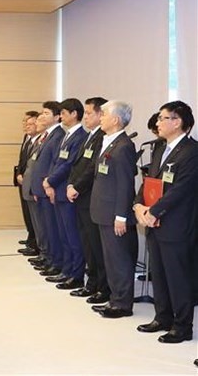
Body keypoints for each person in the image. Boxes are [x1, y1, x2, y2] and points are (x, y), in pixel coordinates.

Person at [133, 101, 198, 343]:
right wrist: (138, 205)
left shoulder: (192, 152)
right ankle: (163, 317)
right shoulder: (161, 148)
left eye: (162, 118)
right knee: (158, 274)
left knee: (178, 276)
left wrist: (154, 211)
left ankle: (182, 326)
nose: (158, 123)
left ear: (177, 122)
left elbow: (181, 189)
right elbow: (149, 179)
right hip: (154, 222)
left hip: (176, 225)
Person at [90, 100, 138, 319]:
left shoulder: (124, 146)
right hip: (103, 210)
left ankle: (122, 304)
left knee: (119, 259)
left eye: (104, 114)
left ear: (116, 120)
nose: (100, 118)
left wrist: (121, 215)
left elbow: (125, 184)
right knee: (110, 258)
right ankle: (115, 299)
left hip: (114, 214)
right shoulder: (109, 142)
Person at [66, 97, 110, 304]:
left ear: (102, 114)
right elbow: (78, 165)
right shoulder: (90, 136)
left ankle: (102, 287)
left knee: (95, 245)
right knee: (87, 244)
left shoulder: (103, 137)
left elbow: (92, 167)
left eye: (89, 113)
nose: (85, 117)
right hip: (80, 197)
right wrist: (70, 185)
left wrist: (76, 186)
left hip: (89, 196)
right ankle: (91, 283)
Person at [43, 98, 88, 290]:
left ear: (74, 114)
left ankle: (75, 274)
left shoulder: (80, 137)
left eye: (63, 113)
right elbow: (56, 161)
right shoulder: (66, 135)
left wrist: (50, 181)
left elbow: (68, 164)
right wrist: (49, 183)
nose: (60, 116)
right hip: (58, 190)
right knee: (63, 235)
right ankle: (67, 270)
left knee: (72, 236)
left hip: (67, 191)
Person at [30, 101, 65, 278]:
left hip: (49, 188)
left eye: (45, 113)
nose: (41, 116)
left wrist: (49, 184)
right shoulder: (46, 135)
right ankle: (49, 258)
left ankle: (55, 261)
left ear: (57, 116)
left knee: (52, 228)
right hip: (41, 188)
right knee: (46, 227)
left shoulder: (58, 135)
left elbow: (55, 163)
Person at [15, 110, 40, 256]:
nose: (27, 126)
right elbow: (22, 160)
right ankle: (30, 237)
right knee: (26, 212)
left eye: (30, 123)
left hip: (31, 181)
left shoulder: (39, 140)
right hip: (22, 180)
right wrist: (19, 173)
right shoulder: (27, 138)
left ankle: (34, 242)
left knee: (33, 215)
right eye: (25, 123)